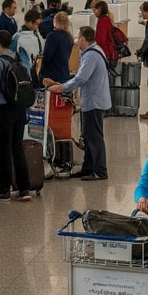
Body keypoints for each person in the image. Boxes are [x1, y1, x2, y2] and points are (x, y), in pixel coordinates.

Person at [47, 26, 112, 181]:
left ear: (83, 39)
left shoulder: (91, 55)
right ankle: (88, 168)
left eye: (77, 37)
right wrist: (61, 83)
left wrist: (61, 87)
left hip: (94, 102)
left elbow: (81, 78)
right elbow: (81, 76)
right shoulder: (95, 51)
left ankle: (100, 170)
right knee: (88, 137)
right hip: (92, 100)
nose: (76, 41)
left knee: (94, 137)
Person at [0, 30, 33, 201]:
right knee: (17, 146)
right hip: (19, 107)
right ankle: (24, 188)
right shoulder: (17, 58)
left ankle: (4, 188)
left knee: (4, 149)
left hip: (4, 109)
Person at [39, 10, 74, 87]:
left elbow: (47, 57)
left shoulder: (52, 36)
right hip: (64, 72)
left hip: (52, 74)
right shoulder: (69, 37)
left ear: (55, 22)